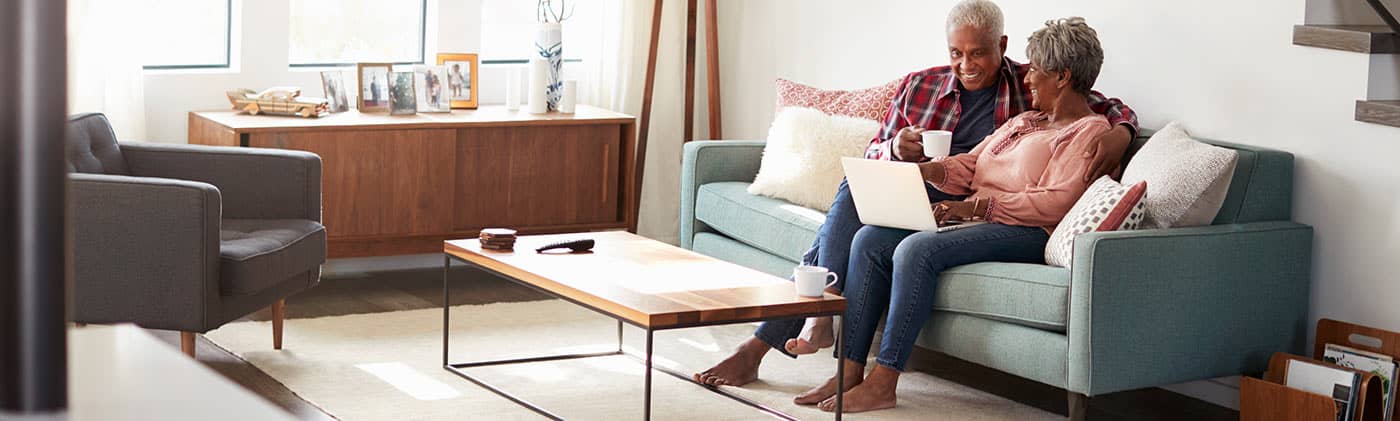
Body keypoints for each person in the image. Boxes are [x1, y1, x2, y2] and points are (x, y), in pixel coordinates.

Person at [692, 0, 1139, 394]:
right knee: (859, 206)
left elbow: (1092, 103)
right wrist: (902, 157)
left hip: (981, 208)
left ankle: (808, 327)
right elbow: (922, 157)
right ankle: (832, 342)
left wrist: (1123, 132)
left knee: (892, 242)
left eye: (979, 52)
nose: (967, 64)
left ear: (1002, 46)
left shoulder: (1030, 90)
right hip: (928, 186)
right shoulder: (941, 92)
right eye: (956, 53)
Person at [809, 15, 1113, 413]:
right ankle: (849, 371)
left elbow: (1057, 200)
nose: (1027, 79)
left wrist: (974, 207)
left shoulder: (1089, 132)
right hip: (980, 217)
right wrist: (927, 171)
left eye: (1036, 70)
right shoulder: (1024, 122)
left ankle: (884, 381)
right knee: (869, 239)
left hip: (1026, 228)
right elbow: (972, 163)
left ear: (1063, 77)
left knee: (916, 249)